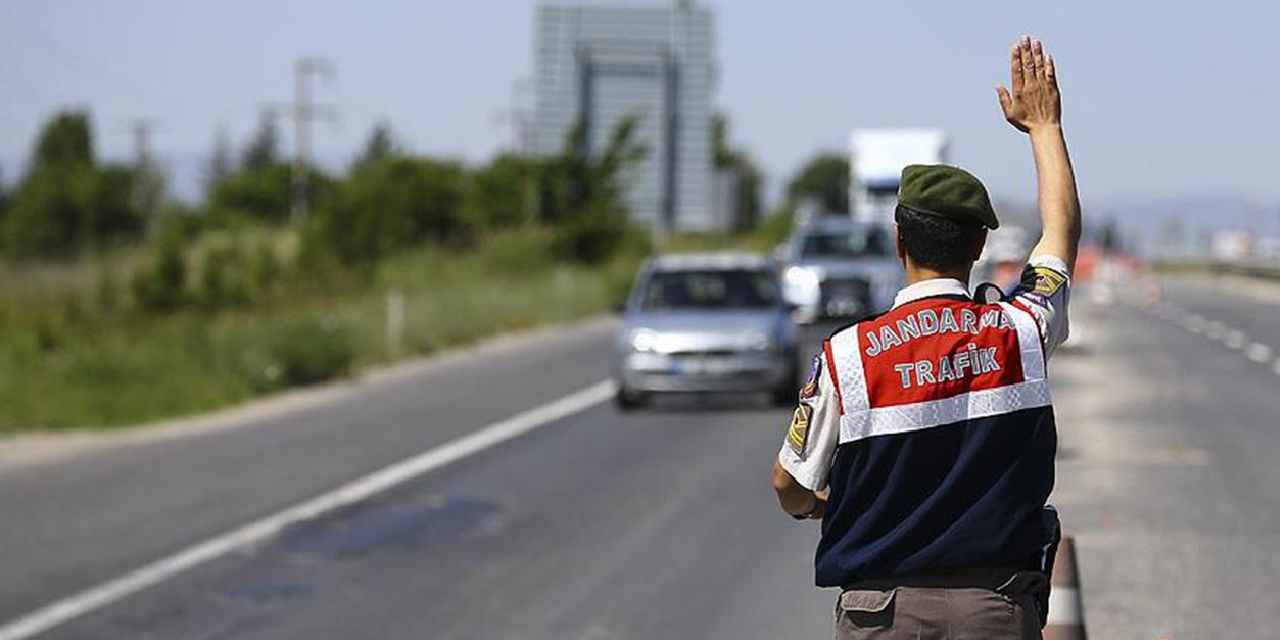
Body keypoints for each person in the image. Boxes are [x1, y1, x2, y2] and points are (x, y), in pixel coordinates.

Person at [770, 36, 1080, 639]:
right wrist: (1045, 127)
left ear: (898, 242)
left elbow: (789, 484)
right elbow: (1060, 238)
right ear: (979, 248)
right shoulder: (1019, 331)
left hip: (879, 615)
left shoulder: (847, 357)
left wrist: (827, 508)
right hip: (995, 611)